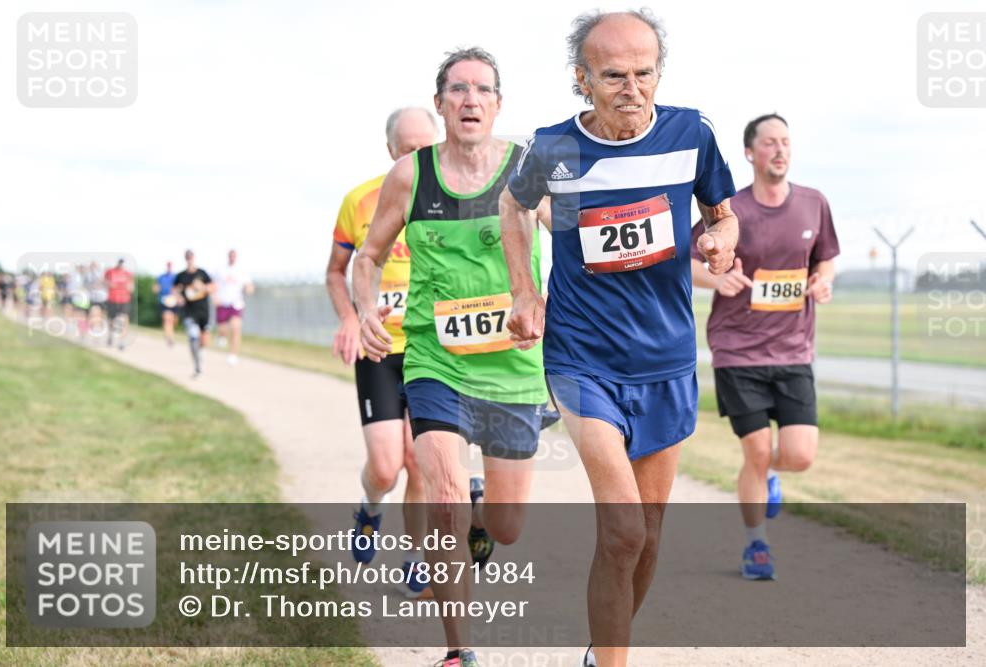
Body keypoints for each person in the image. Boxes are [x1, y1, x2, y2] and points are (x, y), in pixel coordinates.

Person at [500, 10, 738, 667]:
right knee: (624, 527)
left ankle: (599, 651)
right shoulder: (553, 147)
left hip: (666, 360)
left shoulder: (692, 133)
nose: (633, 87)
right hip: (582, 359)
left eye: (645, 73)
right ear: (582, 79)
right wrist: (525, 290)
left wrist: (720, 239)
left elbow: (724, 213)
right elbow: (514, 207)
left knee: (649, 535)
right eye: (614, 76)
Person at [354, 48, 551, 667]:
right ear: (440, 103)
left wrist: (548, 303)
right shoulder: (411, 176)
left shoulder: (528, 170)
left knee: (508, 523)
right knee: (441, 498)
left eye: (482, 90)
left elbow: (574, 243)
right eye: (457, 90)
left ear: (498, 104)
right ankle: (459, 651)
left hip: (514, 365)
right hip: (436, 360)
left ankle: (481, 523)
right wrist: (364, 311)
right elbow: (368, 257)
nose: (470, 100)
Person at [690, 113, 838, 580]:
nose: (780, 150)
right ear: (750, 153)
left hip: (794, 350)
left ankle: (766, 476)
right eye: (770, 143)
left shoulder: (813, 203)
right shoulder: (729, 210)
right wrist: (717, 275)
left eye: (786, 143)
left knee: (799, 456)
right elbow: (688, 263)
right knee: (755, 451)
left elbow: (827, 258)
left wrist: (822, 281)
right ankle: (757, 546)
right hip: (738, 351)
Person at [326, 107, 437, 597]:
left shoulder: (454, 197)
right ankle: (371, 507)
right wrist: (351, 316)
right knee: (388, 466)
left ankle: (416, 555)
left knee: (422, 460)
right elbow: (336, 270)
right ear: (391, 150)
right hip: (379, 347)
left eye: (424, 148)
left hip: (434, 351)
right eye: (407, 149)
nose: (416, 157)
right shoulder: (361, 200)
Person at [173, 250, 214, 377]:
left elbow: (212, 287)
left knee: (204, 340)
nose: (189, 259)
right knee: (193, 336)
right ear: (185, 258)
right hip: (189, 311)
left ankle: (199, 352)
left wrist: (202, 287)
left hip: (203, 310)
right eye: (187, 257)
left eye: (191, 257)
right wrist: (178, 297)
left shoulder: (202, 273)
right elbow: (174, 290)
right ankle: (197, 367)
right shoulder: (181, 276)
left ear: (194, 258)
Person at [213, 249, 254, 366]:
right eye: (231, 256)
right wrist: (214, 297)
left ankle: (233, 354)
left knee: (236, 328)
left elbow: (249, 285)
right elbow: (213, 285)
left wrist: (249, 289)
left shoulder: (242, 271)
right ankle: (221, 336)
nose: (232, 258)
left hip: (236, 303)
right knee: (223, 329)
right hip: (222, 303)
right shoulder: (220, 270)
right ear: (228, 257)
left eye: (234, 256)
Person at [104, 259, 134, 350]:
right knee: (111, 320)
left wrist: (129, 287)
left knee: (124, 319)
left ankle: (122, 342)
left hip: (124, 299)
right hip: (112, 299)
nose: (121, 265)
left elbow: (131, 287)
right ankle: (110, 335)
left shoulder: (128, 274)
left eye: (122, 264)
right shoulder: (110, 272)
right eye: (119, 263)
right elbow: (105, 282)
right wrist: (109, 284)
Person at [152, 261, 178, 346]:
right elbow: (156, 287)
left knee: (173, 320)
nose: (169, 267)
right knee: (167, 319)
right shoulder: (161, 277)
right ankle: (169, 337)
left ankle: (169, 334)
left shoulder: (176, 277)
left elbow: (179, 288)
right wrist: (156, 289)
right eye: (168, 266)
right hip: (164, 300)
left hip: (173, 301)